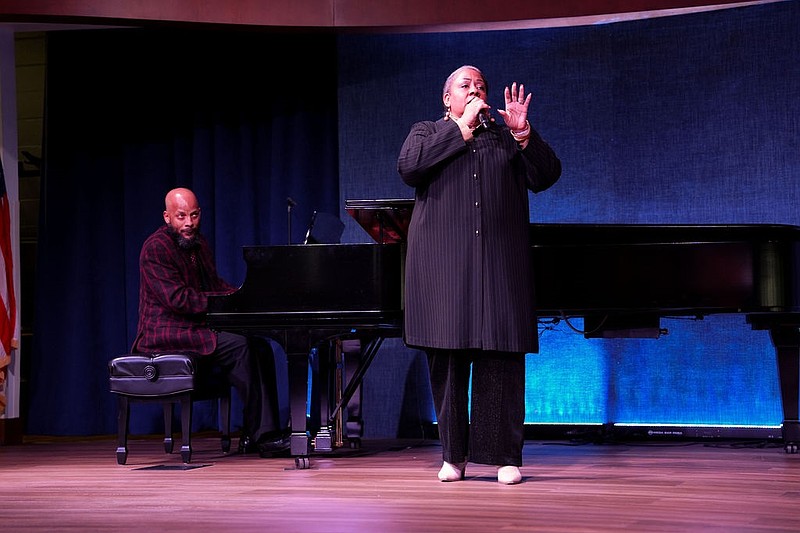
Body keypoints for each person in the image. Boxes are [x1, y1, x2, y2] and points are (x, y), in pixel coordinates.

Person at [397, 65, 562, 484]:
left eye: (481, 86)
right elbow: (409, 168)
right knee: (448, 360)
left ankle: (503, 456)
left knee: (500, 356)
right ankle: (454, 456)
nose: (475, 90)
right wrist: (462, 129)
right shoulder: (426, 133)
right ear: (446, 98)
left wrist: (524, 134)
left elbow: (547, 175)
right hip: (444, 268)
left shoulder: (506, 138)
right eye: (465, 85)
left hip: (498, 266)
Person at [132, 187, 288, 457]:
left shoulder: (198, 244)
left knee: (260, 345)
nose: (189, 223)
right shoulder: (155, 248)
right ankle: (265, 437)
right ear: (167, 217)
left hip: (192, 327)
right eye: (181, 216)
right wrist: (223, 304)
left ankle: (256, 434)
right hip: (165, 332)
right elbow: (178, 300)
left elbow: (213, 285)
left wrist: (243, 297)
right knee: (239, 346)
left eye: (193, 215)